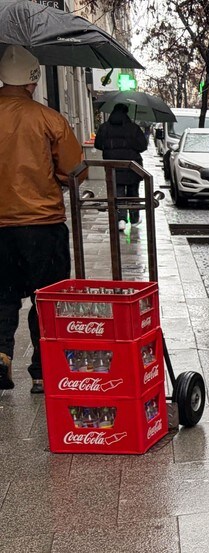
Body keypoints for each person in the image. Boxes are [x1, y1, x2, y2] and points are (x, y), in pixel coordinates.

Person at [0, 45, 83, 393]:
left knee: (2, 298)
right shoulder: (49, 119)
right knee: (45, 298)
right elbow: (74, 168)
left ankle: (1, 358)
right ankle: (42, 369)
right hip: (43, 223)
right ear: (33, 81)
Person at [93, 102, 148, 224]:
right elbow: (142, 146)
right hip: (132, 166)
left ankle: (120, 219)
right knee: (133, 192)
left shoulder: (104, 127)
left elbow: (97, 144)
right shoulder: (133, 128)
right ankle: (134, 218)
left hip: (112, 165)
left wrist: (109, 149)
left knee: (117, 192)